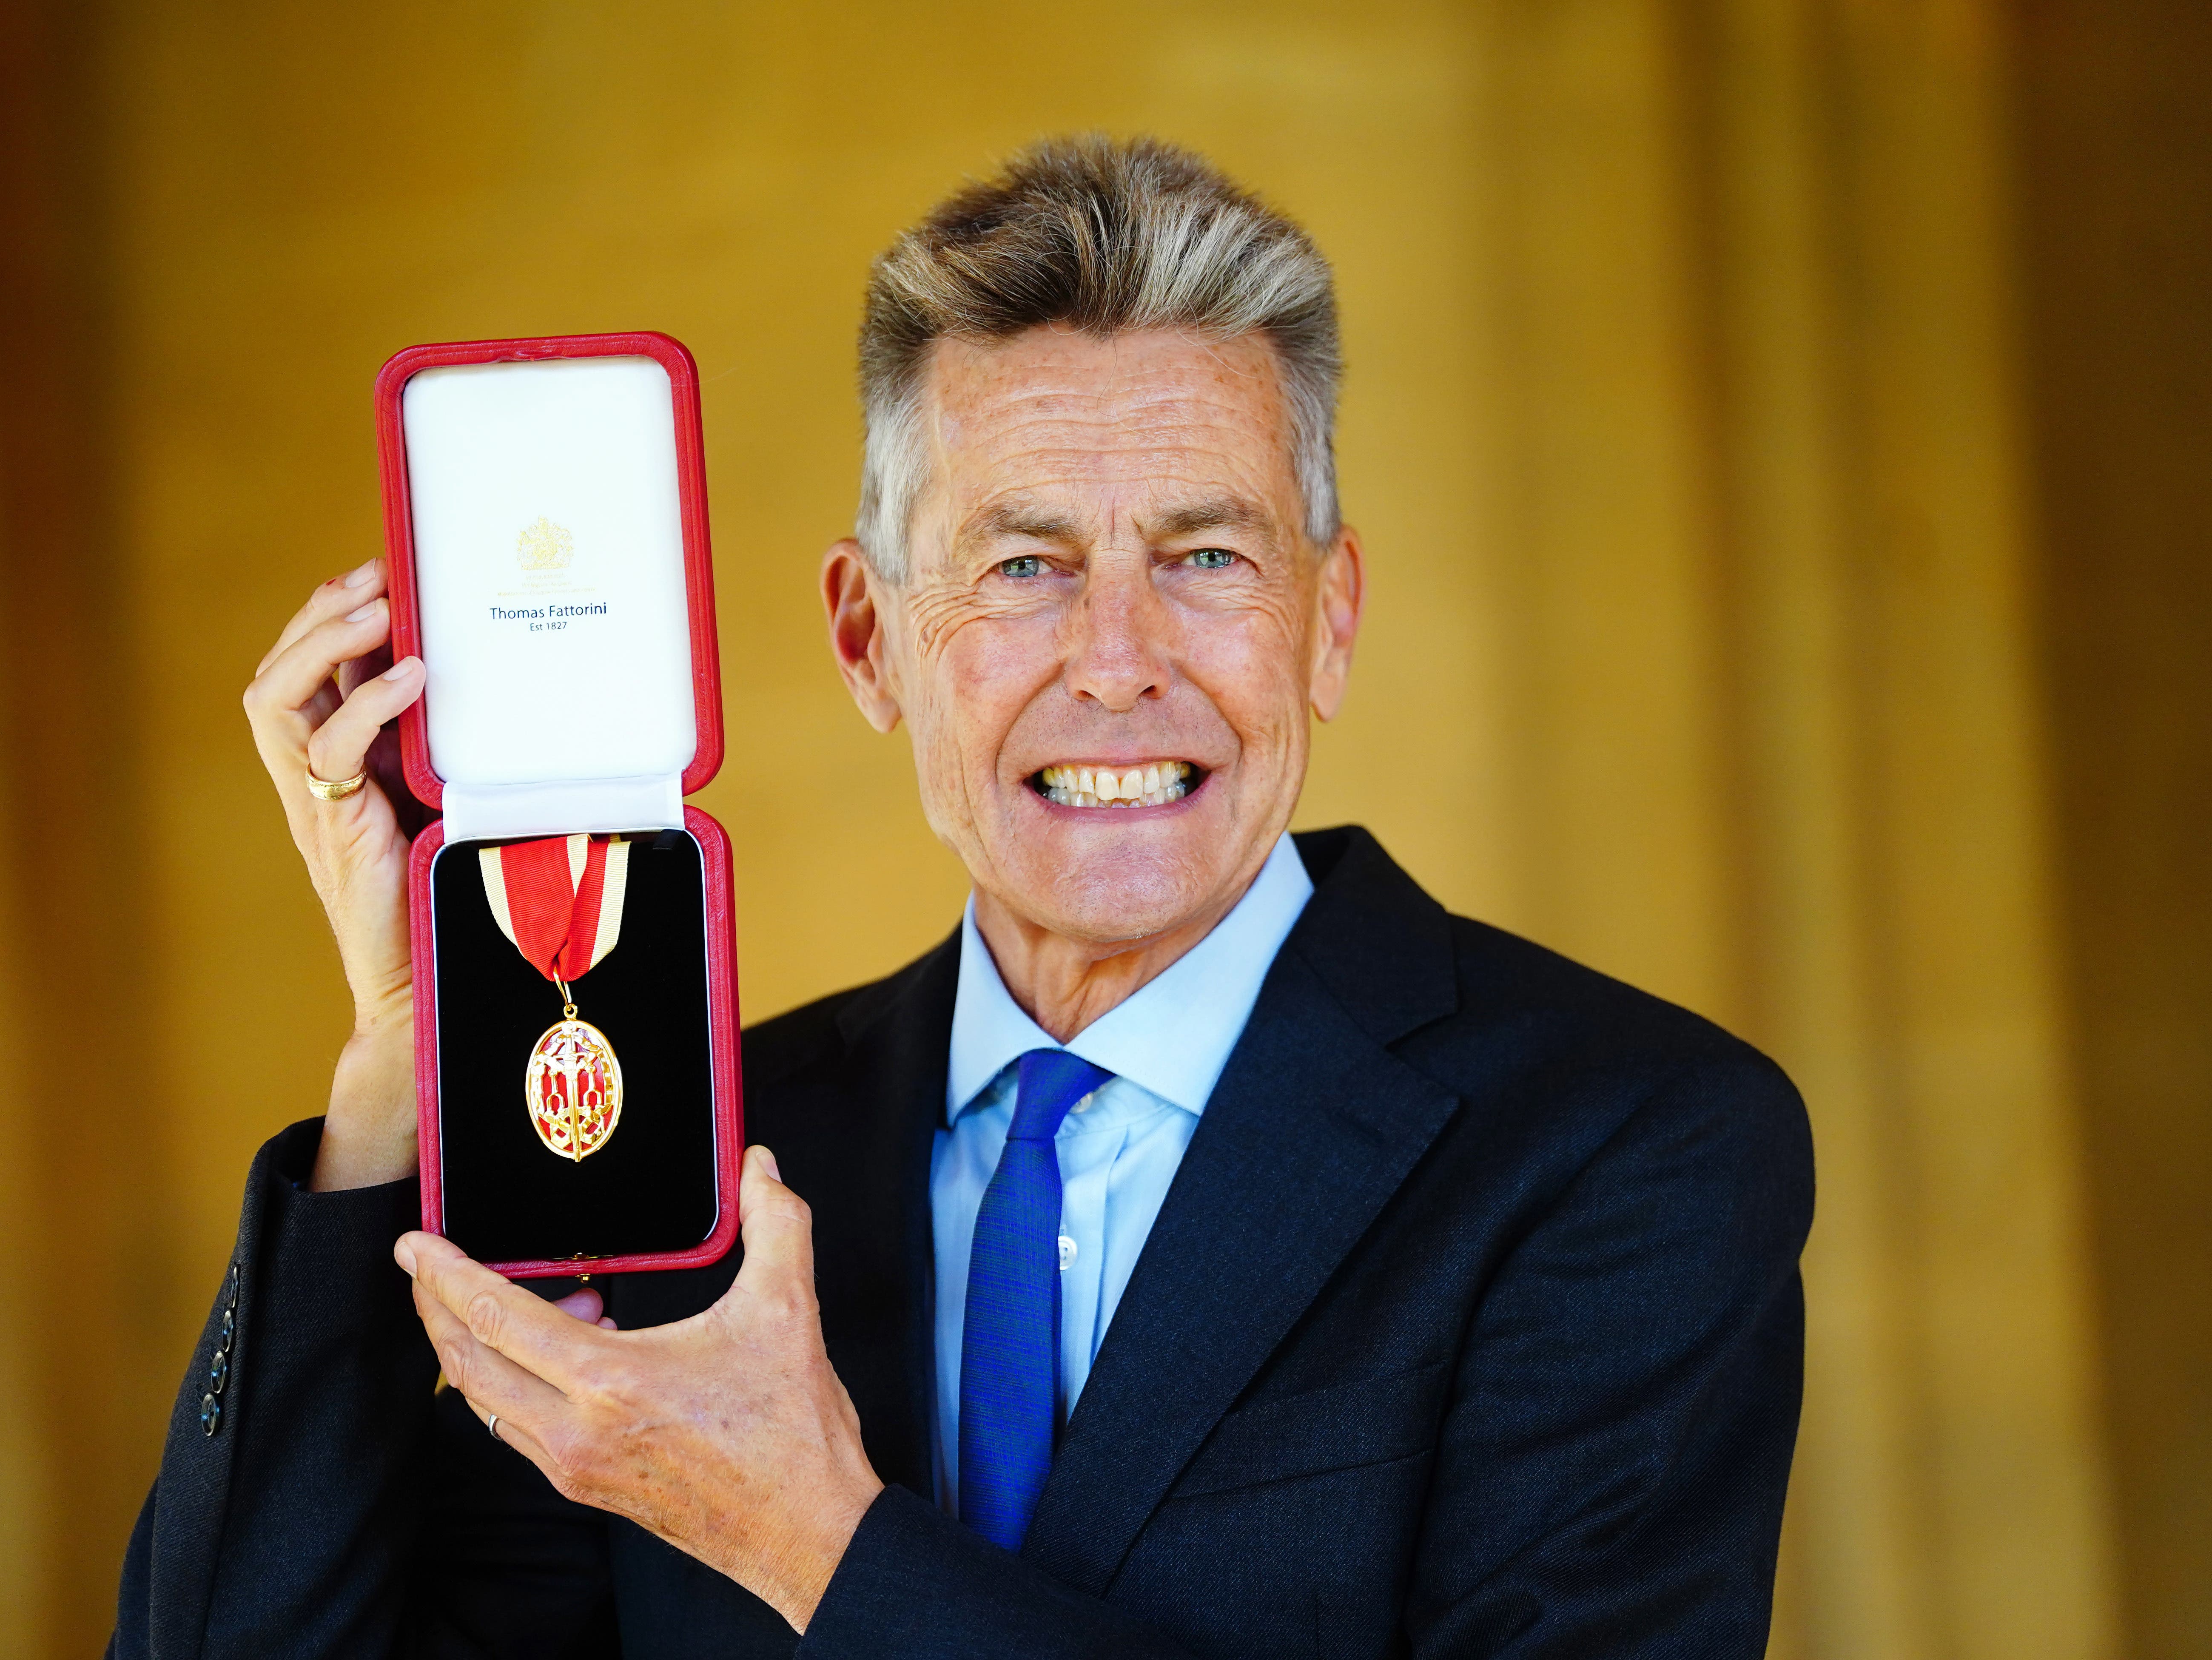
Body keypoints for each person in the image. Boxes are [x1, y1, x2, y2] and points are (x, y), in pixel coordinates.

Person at [111, 135, 1812, 1659]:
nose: (1120, 663)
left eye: (1208, 557)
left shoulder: (1631, 1142)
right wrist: (402, 1071)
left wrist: (808, 1540)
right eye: (1025, 566)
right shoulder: (684, 1158)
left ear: (1331, 617)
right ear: (870, 641)